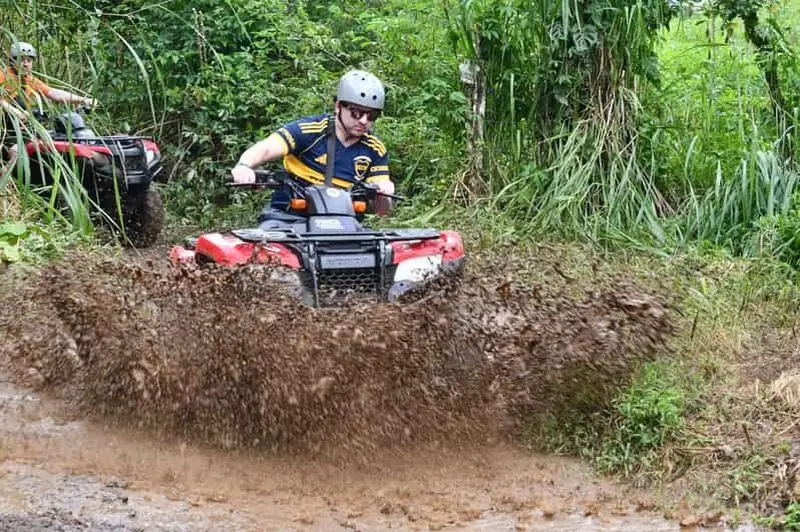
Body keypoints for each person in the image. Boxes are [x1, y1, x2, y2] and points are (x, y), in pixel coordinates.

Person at [231, 69, 395, 217]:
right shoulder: (310, 130)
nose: (364, 121)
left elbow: (382, 211)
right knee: (264, 248)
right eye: (356, 113)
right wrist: (244, 166)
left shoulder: (374, 149)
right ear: (338, 106)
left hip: (344, 224)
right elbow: (267, 147)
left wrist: (384, 193)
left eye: (372, 116)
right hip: (288, 217)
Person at [1, 41, 97, 173]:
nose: (25, 63)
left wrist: (83, 99)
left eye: (29, 60)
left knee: (51, 141)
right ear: (12, 60)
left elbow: (53, 93)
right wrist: (14, 111)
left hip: (22, 128)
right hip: (5, 129)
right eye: (21, 59)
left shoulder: (29, 79)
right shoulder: (3, 75)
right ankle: (4, 185)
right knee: (17, 151)